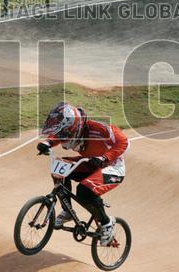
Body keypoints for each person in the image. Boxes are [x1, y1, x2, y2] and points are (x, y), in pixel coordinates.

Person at [36, 102, 128, 246]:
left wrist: (105, 157)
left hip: (112, 167)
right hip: (89, 163)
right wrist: (47, 143)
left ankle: (107, 223)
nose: (62, 136)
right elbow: (59, 134)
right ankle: (67, 211)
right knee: (60, 169)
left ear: (74, 127)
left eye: (65, 132)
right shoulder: (70, 130)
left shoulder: (98, 128)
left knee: (84, 191)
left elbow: (123, 142)